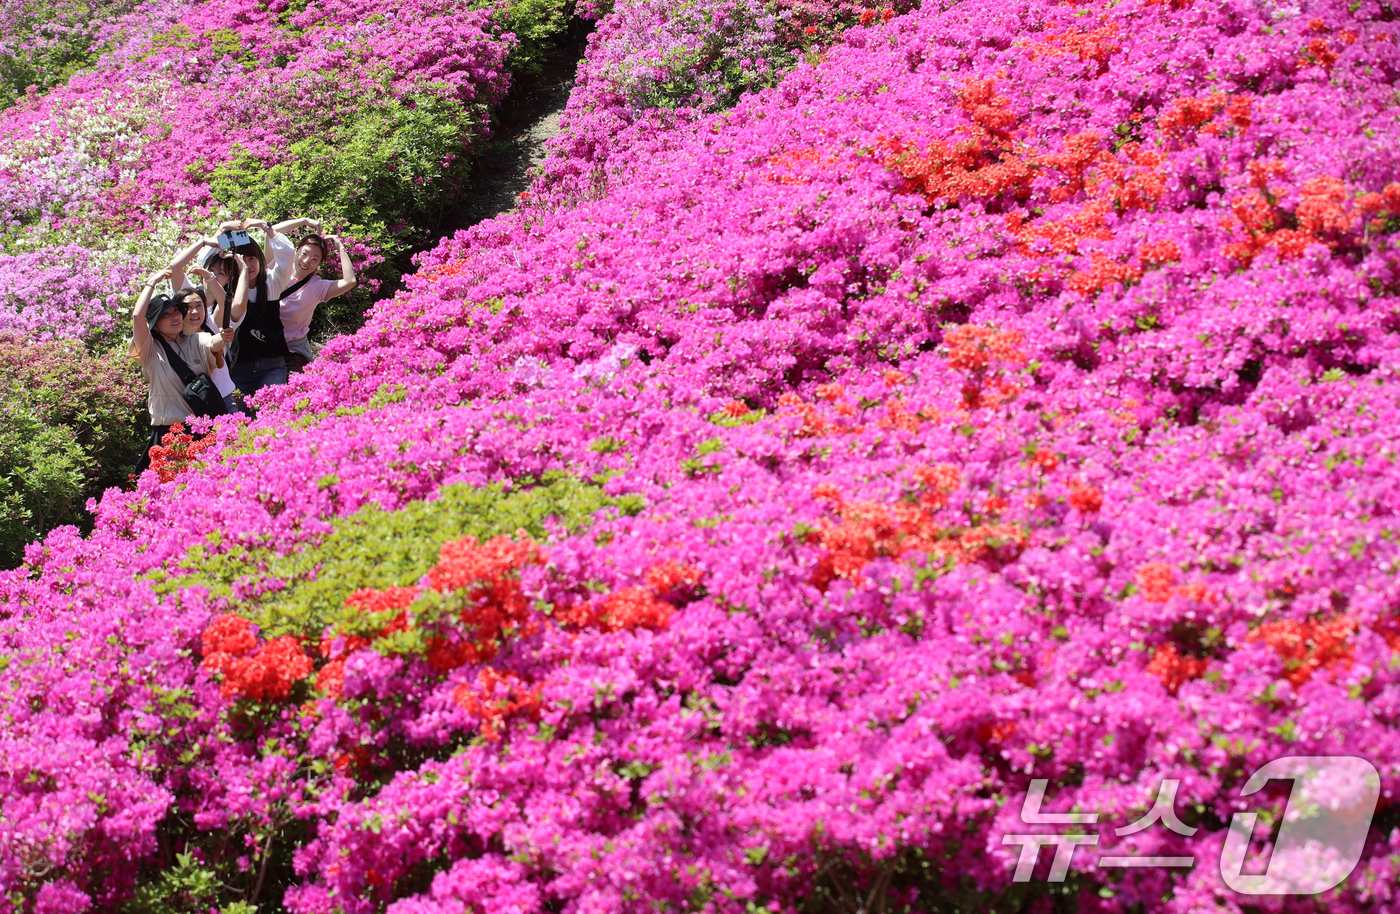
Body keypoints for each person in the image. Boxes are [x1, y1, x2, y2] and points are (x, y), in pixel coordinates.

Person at [128, 265, 240, 477]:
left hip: (199, 432)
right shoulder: (150, 349)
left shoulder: (194, 339)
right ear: (155, 324)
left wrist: (223, 338)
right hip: (168, 434)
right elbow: (136, 317)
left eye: (176, 311)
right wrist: (152, 282)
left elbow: (213, 343)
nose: (175, 317)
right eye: (166, 315)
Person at [269, 229, 357, 371]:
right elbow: (271, 230)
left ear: (320, 263)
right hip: (261, 345)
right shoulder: (278, 267)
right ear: (296, 250)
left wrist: (340, 247)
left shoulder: (316, 287)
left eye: (314, 259)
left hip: (291, 350)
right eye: (304, 253)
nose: (306, 261)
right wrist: (304, 221)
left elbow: (350, 281)